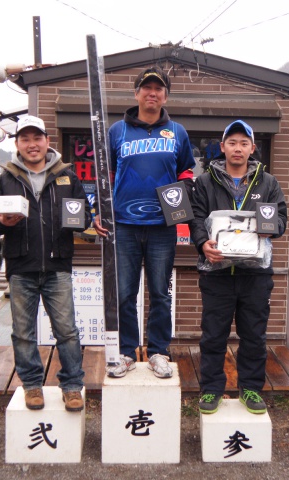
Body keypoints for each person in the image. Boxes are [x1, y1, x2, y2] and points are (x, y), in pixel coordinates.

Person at [93, 66, 196, 378]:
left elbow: (187, 172)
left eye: (159, 89)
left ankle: (158, 352)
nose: (153, 93)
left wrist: (184, 195)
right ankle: (126, 352)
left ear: (165, 95)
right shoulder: (116, 132)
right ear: (136, 93)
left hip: (162, 227)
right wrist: (100, 210)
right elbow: (105, 176)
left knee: (160, 293)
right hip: (123, 225)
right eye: (147, 88)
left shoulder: (177, 132)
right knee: (125, 292)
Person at [0, 115, 90, 412]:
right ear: (17, 144)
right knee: (23, 332)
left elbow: (86, 215)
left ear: (47, 140)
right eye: (25, 139)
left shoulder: (67, 175)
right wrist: (2, 222)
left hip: (58, 266)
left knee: (67, 331)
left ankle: (71, 386)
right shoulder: (7, 177)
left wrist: (81, 221)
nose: (32, 145)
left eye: (37, 138)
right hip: (21, 267)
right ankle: (31, 385)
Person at [190, 119, 287, 414]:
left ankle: (251, 389)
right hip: (216, 272)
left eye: (244, 143)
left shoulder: (268, 182)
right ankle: (211, 390)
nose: (238, 148)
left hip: (255, 274)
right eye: (232, 142)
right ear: (222, 147)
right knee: (213, 334)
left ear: (252, 148)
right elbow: (195, 218)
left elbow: (281, 217)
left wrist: (273, 228)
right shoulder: (205, 181)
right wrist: (203, 243)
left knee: (254, 335)